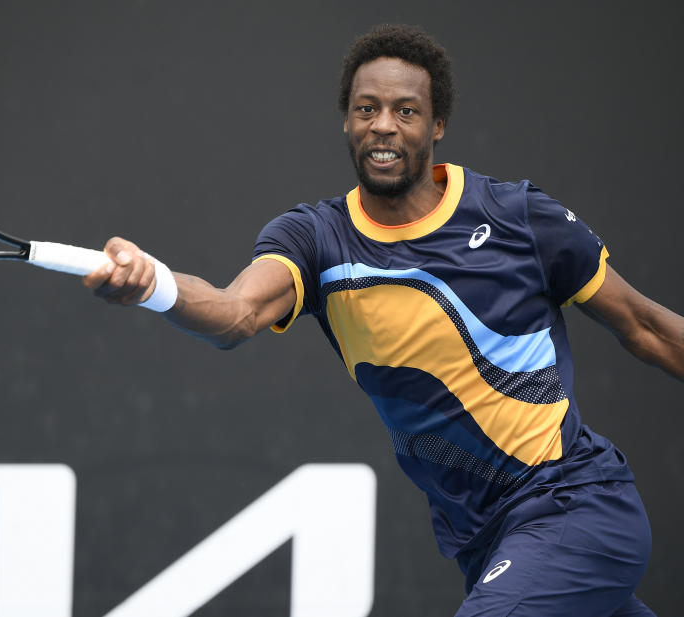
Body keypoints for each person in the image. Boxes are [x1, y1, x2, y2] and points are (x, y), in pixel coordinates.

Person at [82, 24, 683, 617]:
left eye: (406, 110)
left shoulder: (518, 218)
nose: (384, 125)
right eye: (366, 108)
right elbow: (234, 311)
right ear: (347, 121)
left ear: (437, 125)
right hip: (486, 545)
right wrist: (153, 283)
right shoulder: (316, 239)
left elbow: (645, 326)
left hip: (573, 507)